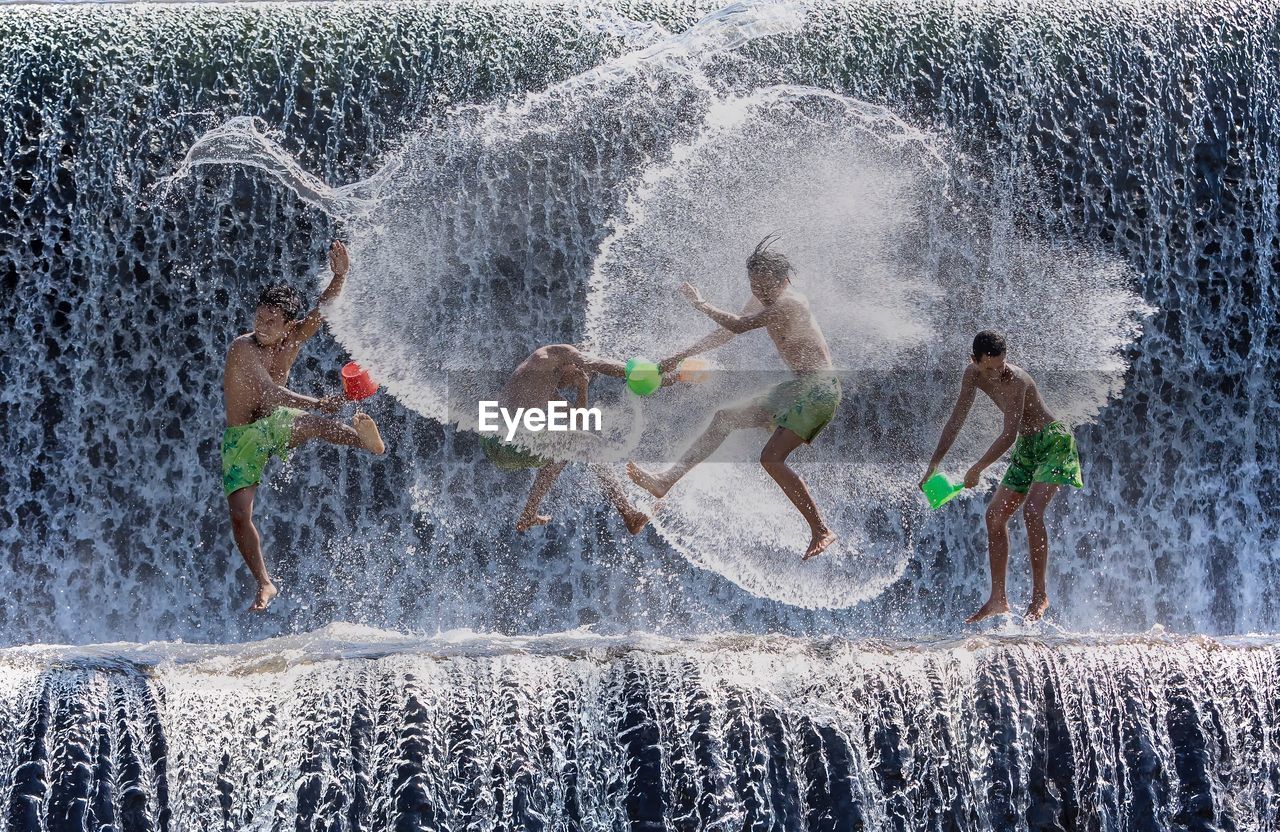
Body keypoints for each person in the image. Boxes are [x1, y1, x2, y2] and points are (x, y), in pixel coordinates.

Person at [627, 235, 842, 560]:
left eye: (766, 286)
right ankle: (665, 481)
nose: (760, 293)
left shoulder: (790, 303)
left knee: (771, 458)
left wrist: (700, 304)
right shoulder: (764, 301)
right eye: (755, 287)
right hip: (798, 388)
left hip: (820, 390)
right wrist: (681, 356)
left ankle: (821, 530)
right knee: (724, 418)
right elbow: (725, 332)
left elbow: (739, 326)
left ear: (783, 280)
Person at [222, 241, 385, 612]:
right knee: (239, 516)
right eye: (259, 317)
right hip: (242, 437)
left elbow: (323, 308)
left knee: (313, 425)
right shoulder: (242, 348)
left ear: (288, 326)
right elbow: (269, 390)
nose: (262, 326)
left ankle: (368, 443)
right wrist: (318, 401)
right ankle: (264, 583)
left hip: (275, 424)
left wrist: (340, 274)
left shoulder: (294, 338)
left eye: (271, 322)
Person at [921, 330, 1084, 623]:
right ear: (975, 361)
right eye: (990, 367)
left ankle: (1039, 595)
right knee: (994, 516)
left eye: (1002, 364)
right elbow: (956, 420)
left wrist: (977, 469)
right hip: (1027, 447)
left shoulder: (1017, 380)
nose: (998, 373)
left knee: (1033, 512)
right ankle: (998, 599)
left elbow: (1008, 434)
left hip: (1053, 444)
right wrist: (934, 464)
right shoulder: (972, 375)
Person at [481, 344, 652, 534]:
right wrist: (636, 373)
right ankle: (628, 514)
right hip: (503, 438)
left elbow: (578, 427)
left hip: (501, 451)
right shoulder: (551, 354)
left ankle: (529, 513)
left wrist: (582, 388)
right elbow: (595, 363)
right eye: (577, 377)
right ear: (575, 364)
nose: (569, 385)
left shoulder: (548, 391)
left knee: (566, 447)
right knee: (587, 444)